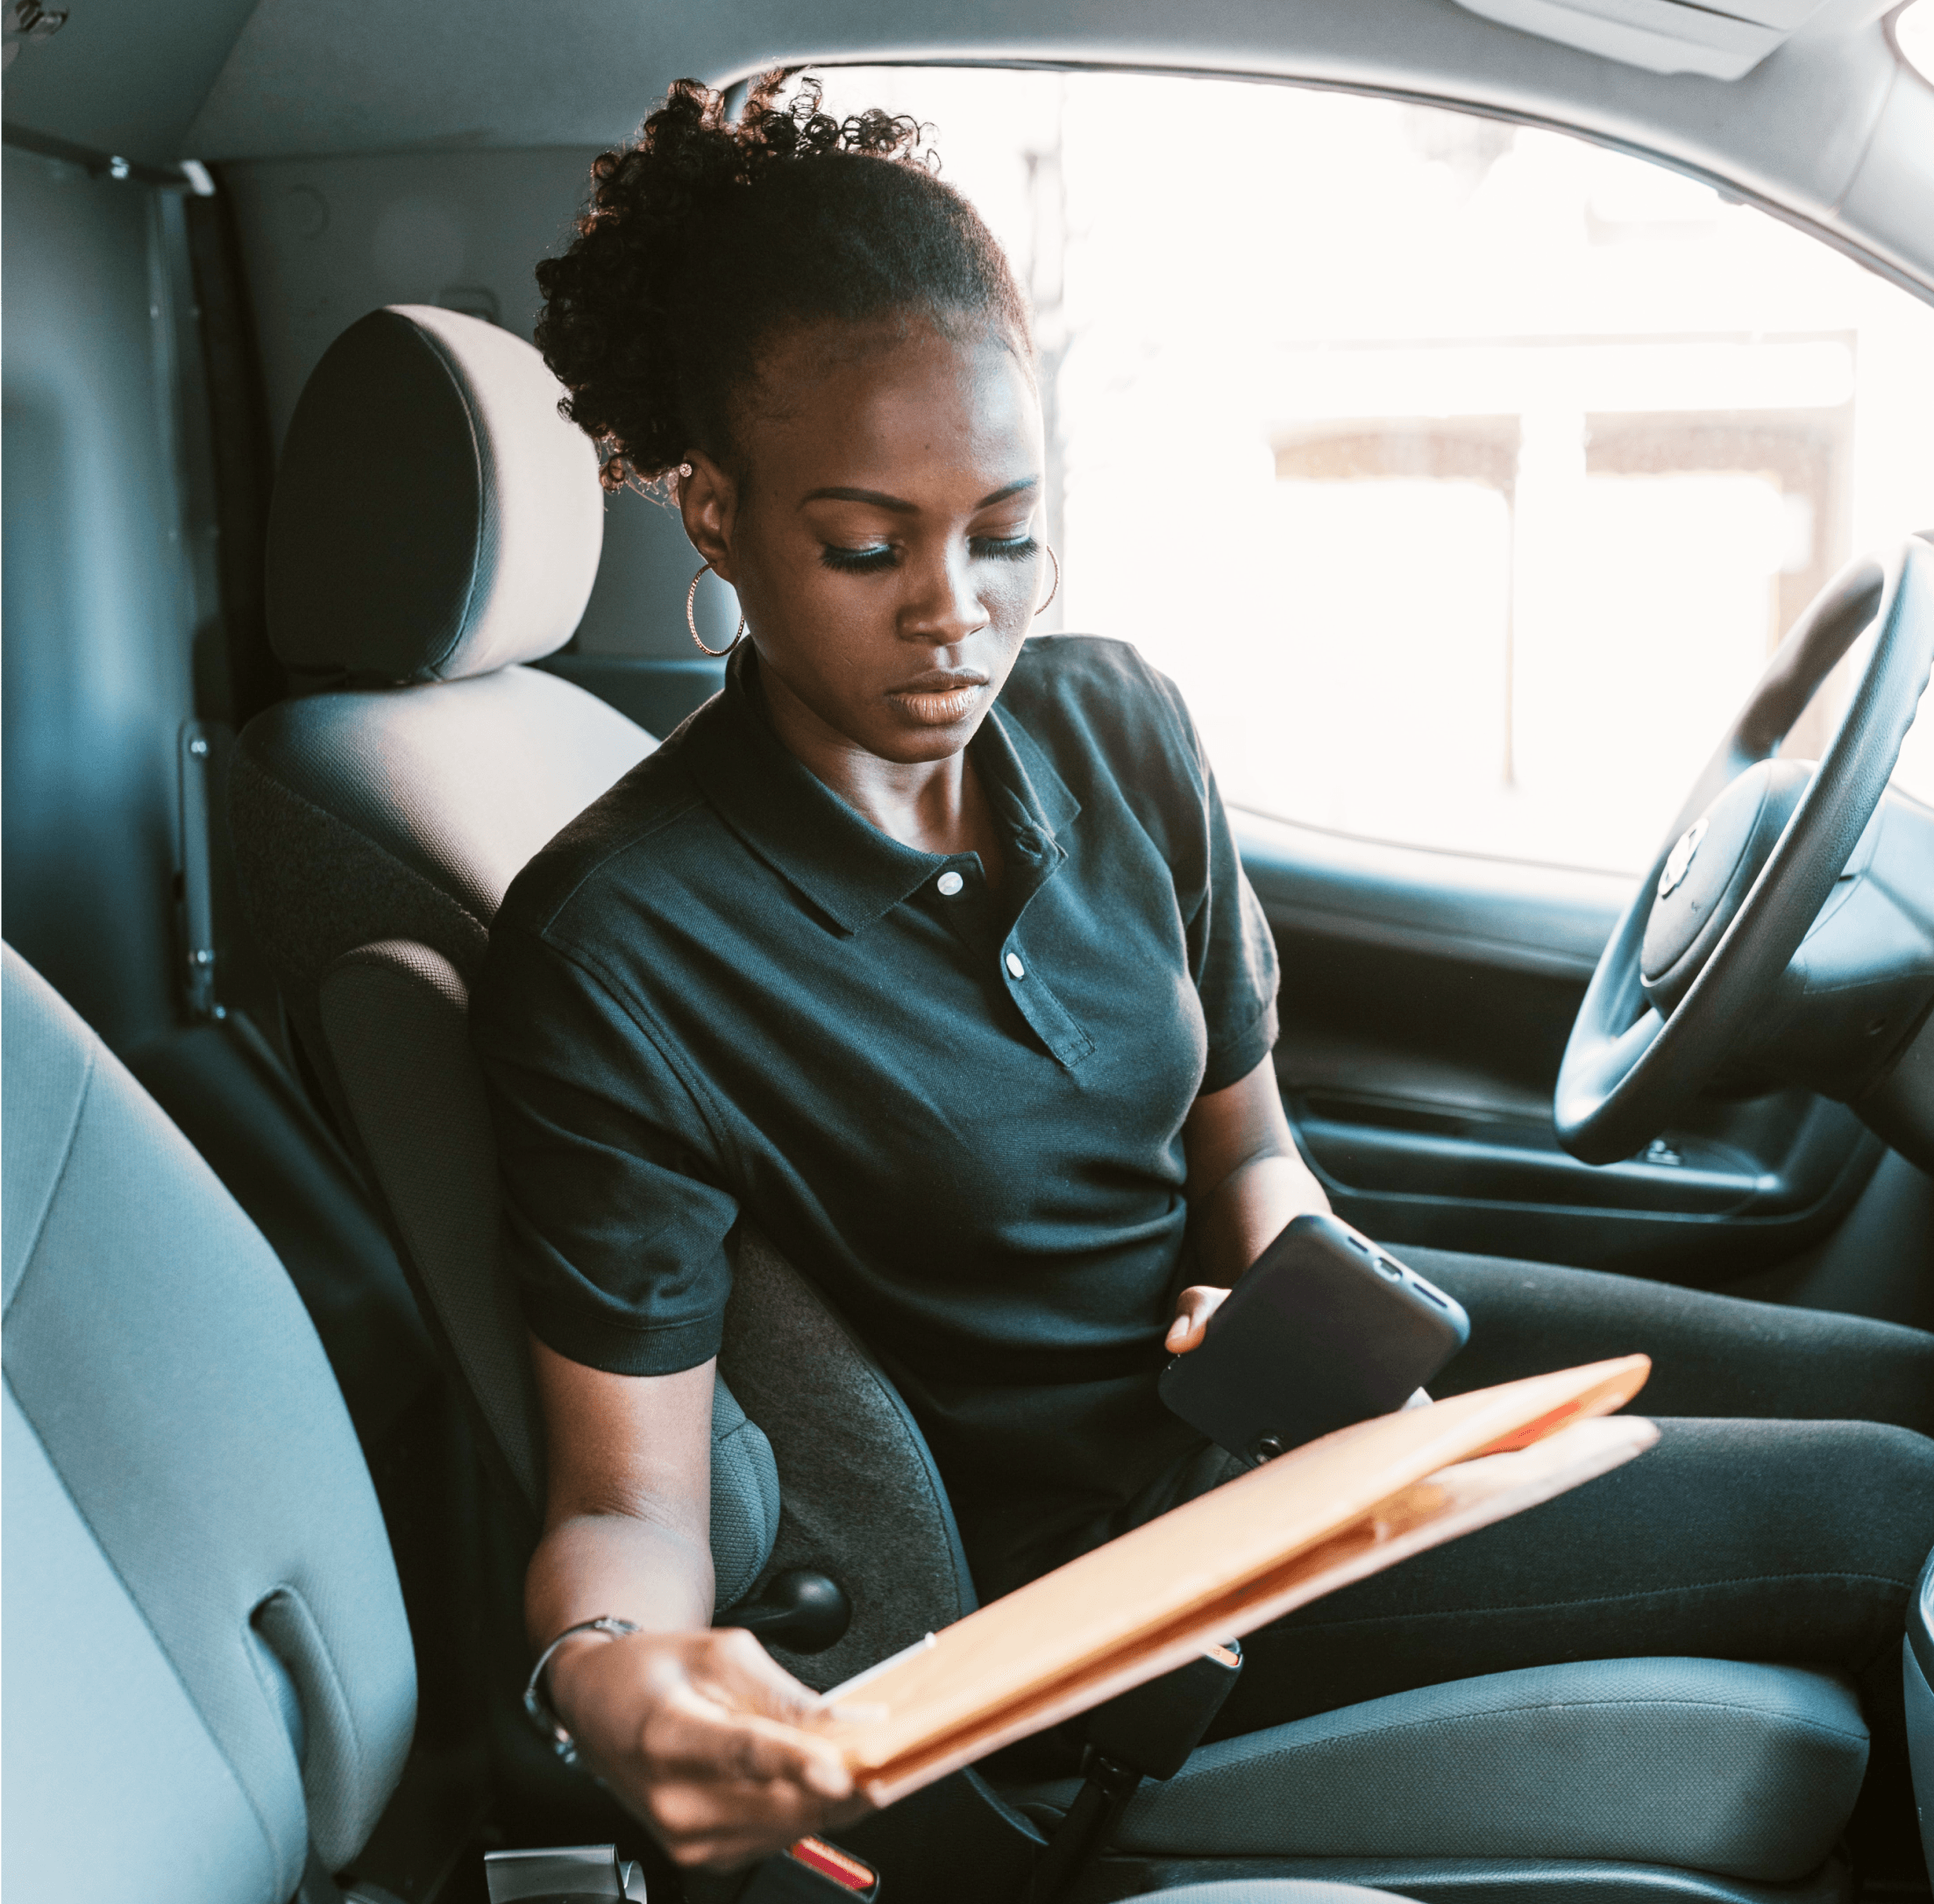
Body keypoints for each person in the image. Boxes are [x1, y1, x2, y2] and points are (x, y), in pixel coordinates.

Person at [471, 75, 1934, 1877]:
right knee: (1897, 1502)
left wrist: (1284, 1282)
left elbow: (1244, 1150)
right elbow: (625, 1503)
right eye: (866, 546)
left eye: (1004, 529)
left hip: (1287, 1413)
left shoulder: (1115, 725)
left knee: (1907, 1379)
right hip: (1133, 1571)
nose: (955, 611)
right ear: (711, 509)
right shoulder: (619, 945)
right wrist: (617, 1684)